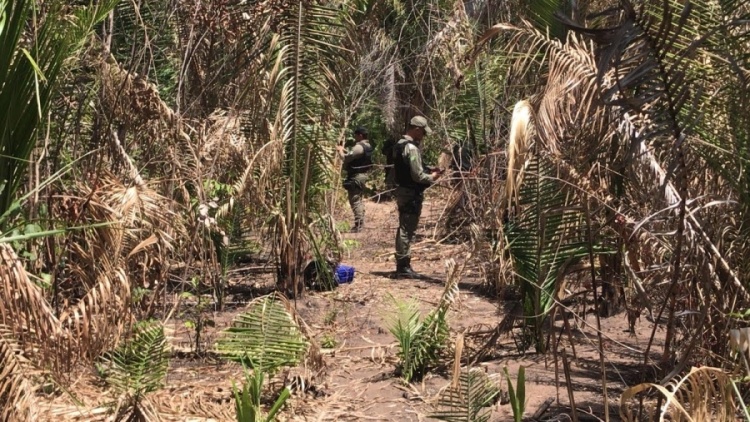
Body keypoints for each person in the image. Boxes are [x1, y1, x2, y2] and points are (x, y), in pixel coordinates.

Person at [393, 116, 443, 277]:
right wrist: (433, 177)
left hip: (402, 190)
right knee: (407, 229)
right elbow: (418, 176)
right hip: (410, 193)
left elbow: (408, 167)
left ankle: (403, 263)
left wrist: (428, 168)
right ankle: (403, 266)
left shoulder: (400, 145)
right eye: (423, 132)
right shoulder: (411, 148)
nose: (424, 136)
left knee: (404, 227)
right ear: (416, 129)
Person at [337, 126, 373, 232]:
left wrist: (339, 151)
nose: (355, 138)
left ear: (360, 135)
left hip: (356, 176)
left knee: (355, 200)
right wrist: (345, 150)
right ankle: (360, 223)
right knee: (358, 200)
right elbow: (353, 155)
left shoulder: (359, 146)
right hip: (362, 175)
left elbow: (346, 157)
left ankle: (359, 225)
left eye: (356, 136)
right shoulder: (367, 145)